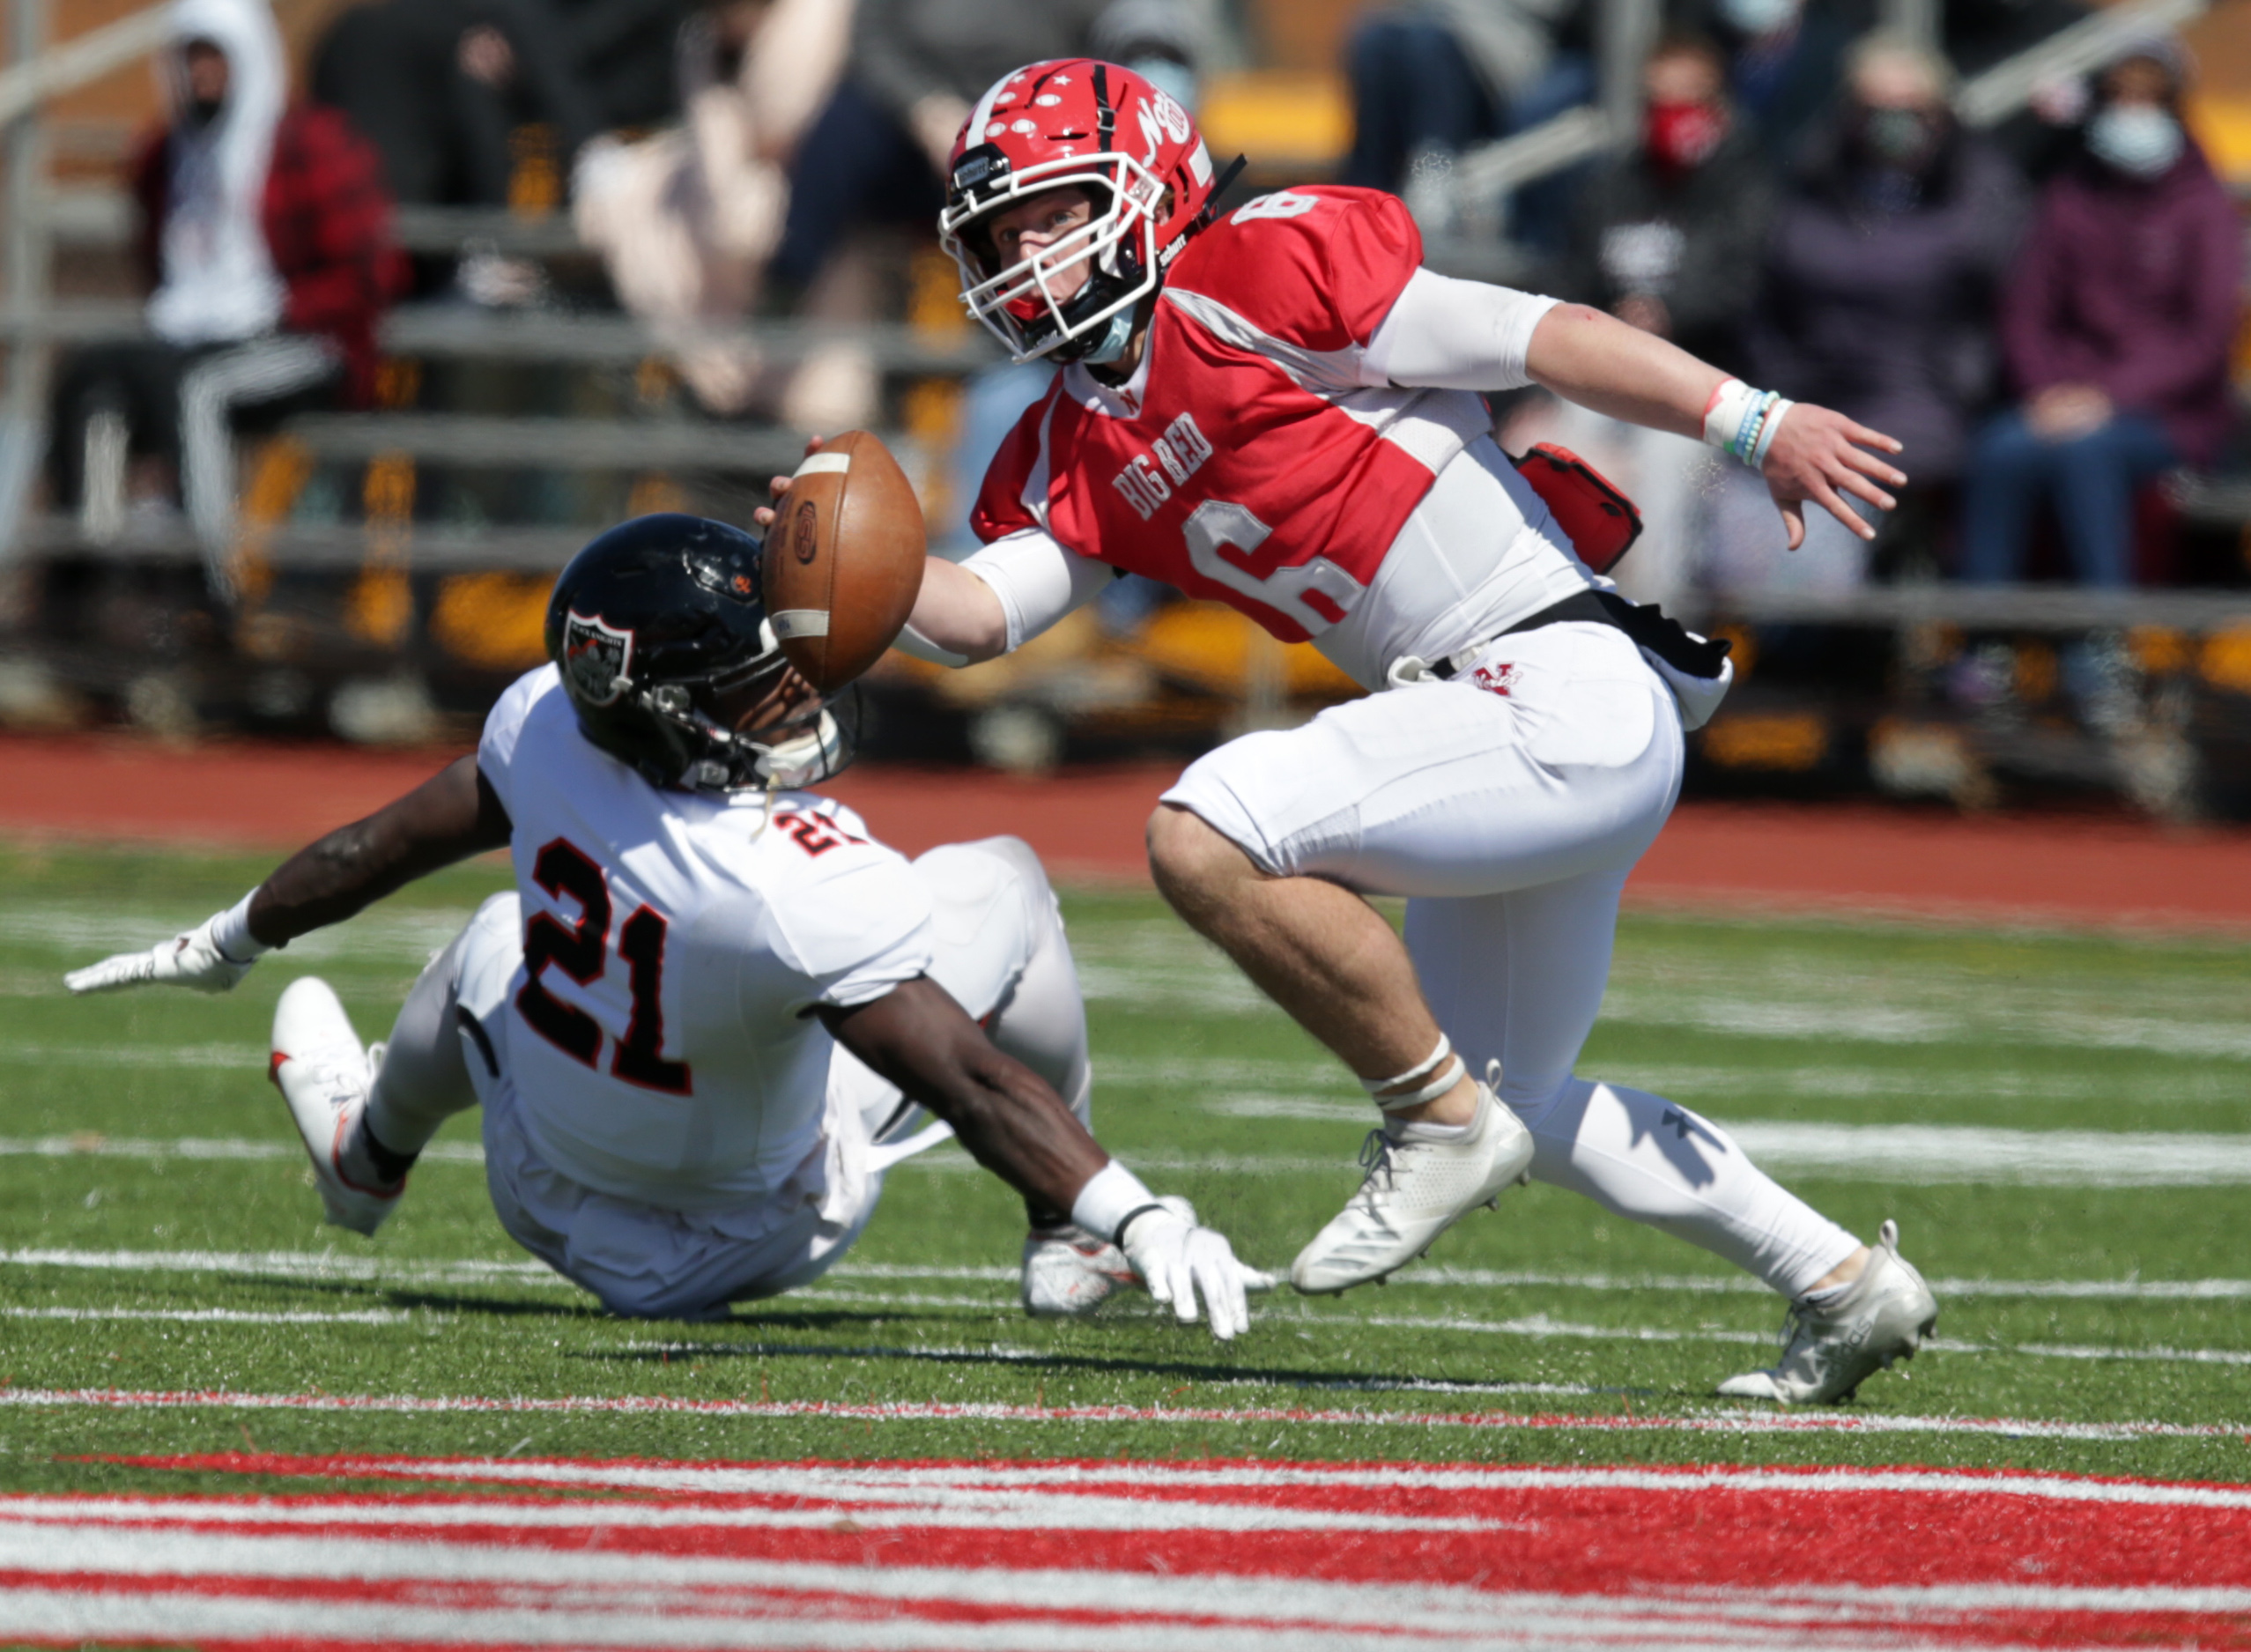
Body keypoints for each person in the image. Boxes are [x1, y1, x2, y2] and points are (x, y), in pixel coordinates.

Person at [855, 57, 1936, 1403]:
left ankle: (1423, 1112)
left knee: (1203, 834)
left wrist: (1746, 419)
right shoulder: (1072, 440)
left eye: (1050, 214)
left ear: (1146, 186)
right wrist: (844, 573)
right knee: (1518, 1099)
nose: (1025, 258)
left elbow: (1539, 333)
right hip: (1496, 719)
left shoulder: (1253, 273)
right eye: (999, 234)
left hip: (1551, 681)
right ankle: (1840, 1281)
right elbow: (973, 613)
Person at [63, 514, 1263, 1335]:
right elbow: (969, 1078)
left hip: (543, 1186)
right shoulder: (785, 876)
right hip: (750, 1232)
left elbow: (373, 849)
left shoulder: (546, 724)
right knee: (1000, 875)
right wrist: (1132, 1206)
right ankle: (1070, 1234)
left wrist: (230, 937)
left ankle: (366, 1155)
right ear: (664, 710)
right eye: (757, 680)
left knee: (495, 934)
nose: (793, 685)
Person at [46, 0, 402, 590]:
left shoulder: (308, 145)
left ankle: (213, 583)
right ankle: (93, 575)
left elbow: (366, 275)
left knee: (198, 389)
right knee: (95, 381)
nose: (202, 76)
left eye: (215, 58)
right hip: (196, 338)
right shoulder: (166, 156)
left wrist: (274, 308)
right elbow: (164, 268)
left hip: (306, 342)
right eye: (191, 60)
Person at [1734, 35, 2024, 589]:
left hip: (1925, 401)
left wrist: (1965, 382)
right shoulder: (1810, 181)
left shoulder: (1983, 194)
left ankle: (1828, 627)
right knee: (1725, 492)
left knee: (1847, 478)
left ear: (1941, 114)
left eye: (1910, 111)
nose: (1893, 124)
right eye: (1876, 110)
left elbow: (2004, 312)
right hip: (1809, 389)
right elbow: (1768, 305)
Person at [1960, 39, 2240, 588]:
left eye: (2149, 100)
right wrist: (2045, 390)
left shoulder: (2204, 207)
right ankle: (1981, 637)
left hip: (2166, 414)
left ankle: (2101, 636)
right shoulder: (2069, 196)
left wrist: (2107, 397)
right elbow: (2027, 313)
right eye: (2120, 98)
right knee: (1997, 450)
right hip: (2058, 401)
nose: (2133, 113)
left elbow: (2204, 340)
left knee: (2087, 458)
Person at [1541, 32, 1772, 607]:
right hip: (1606, 377)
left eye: (1688, 97)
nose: (1672, 113)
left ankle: (1661, 631)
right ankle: (1560, 622)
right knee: (1553, 457)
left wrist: (1668, 312)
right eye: (1658, 98)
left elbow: (1745, 286)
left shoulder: (1746, 185)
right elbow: (1570, 281)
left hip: (1703, 387)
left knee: (1666, 478)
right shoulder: (1614, 185)